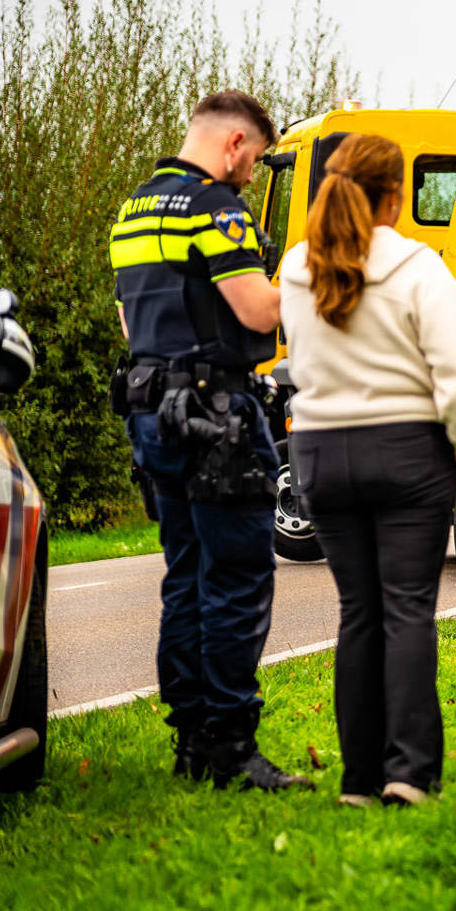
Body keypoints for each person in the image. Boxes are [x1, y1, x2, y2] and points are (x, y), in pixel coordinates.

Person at [279, 134, 456, 808]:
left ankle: (357, 779)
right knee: (407, 611)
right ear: (396, 196)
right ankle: (409, 771)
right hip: (404, 450)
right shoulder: (420, 268)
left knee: (359, 613)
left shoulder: (295, 267)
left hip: (319, 453)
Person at [110, 89, 310, 792]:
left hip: (149, 410)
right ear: (234, 145)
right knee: (236, 577)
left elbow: (133, 328)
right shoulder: (215, 206)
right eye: (254, 160)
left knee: (185, 573)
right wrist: (311, 284)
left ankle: (191, 739)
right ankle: (231, 745)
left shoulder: (132, 211)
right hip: (215, 413)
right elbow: (255, 305)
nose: (252, 175)